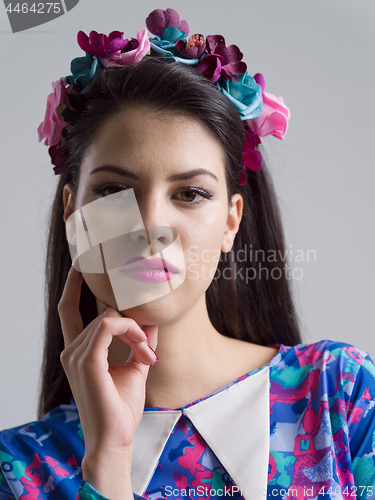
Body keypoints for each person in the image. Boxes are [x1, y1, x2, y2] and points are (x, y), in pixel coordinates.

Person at [1, 8, 375, 500]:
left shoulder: (340, 397)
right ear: (73, 210)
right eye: (114, 188)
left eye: (191, 194)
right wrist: (108, 459)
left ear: (231, 221)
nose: (151, 226)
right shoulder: (19, 470)